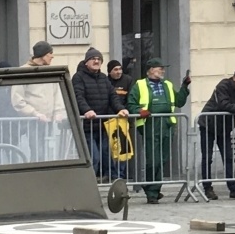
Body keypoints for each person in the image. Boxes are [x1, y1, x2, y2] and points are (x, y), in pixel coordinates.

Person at [131, 59, 190, 203]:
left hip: (166, 124)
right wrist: (139, 111)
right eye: (160, 68)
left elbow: (179, 102)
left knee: (162, 160)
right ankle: (152, 192)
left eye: (163, 68)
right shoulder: (139, 85)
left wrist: (184, 86)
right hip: (149, 124)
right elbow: (131, 104)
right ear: (150, 69)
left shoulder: (168, 85)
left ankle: (153, 189)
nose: (163, 70)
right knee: (153, 160)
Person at [198, 67, 235, 200]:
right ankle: (208, 188)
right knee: (207, 158)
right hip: (208, 124)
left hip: (225, 127)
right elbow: (224, 104)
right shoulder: (223, 85)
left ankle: (234, 189)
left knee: (228, 157)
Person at [72, 48, 125, 182]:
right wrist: (87, 110)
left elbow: (112, 96)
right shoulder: (78, 77)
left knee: (107, 155)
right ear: (86, 62)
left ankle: (108, 182)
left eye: (99, 59)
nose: (96, 61)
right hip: (87, 126)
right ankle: (87, 185)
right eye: (93, 59)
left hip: (103, 125)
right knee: (93, 157)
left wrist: (120, 109)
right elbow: (78, 96)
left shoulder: (103, 78)